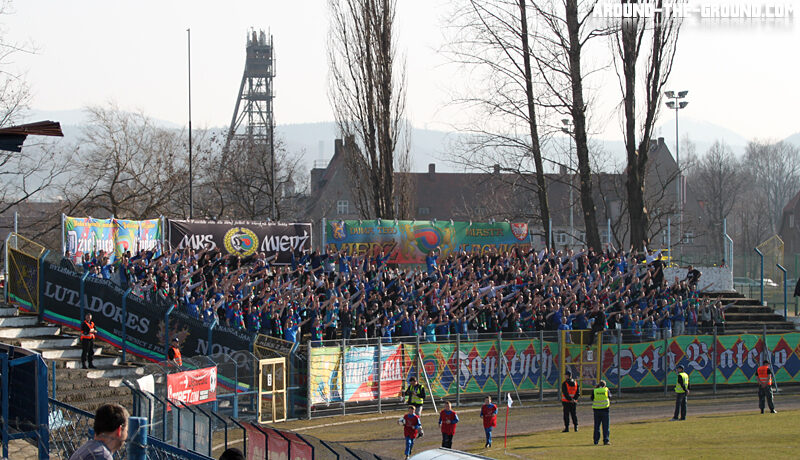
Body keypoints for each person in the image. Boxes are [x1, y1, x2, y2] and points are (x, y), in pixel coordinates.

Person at [590, 380, 610, 446]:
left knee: (596, 426)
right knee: (605, 426)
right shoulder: (606, 390)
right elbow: (610, 396)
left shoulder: (595, 390)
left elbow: (592, 398)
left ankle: (596, 441)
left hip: (596, 410)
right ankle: (606, 440)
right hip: (605, 410)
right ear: (604, 385)